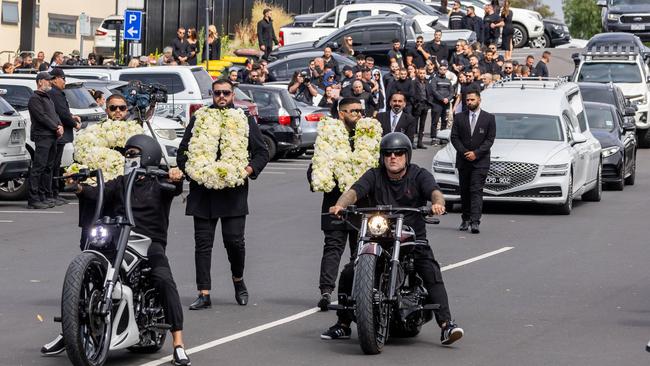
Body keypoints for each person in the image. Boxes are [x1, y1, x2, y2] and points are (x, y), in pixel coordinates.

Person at [321, 132, 464, 346]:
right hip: (379, 237)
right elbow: (354, 191)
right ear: (383, 156)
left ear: (407, 156)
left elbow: (434, 192)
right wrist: (340, 205)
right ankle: (343, 324)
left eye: (398, 153)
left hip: (412, 238)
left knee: (430, 270)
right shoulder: (374, 175)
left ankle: (446, 325)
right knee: (351, 270)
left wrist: (438, 204)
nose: (393, 157)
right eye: (388, 154)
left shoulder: (418, 175)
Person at [66, 135, 191, 366]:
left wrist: (176, 178)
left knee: (163, 279)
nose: (128, 157)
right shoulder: (121, 182)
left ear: (148, 155)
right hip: (118, 238)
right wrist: (79, 187)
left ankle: (178, 343)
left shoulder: (158, 183)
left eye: (133, 153)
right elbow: (97, 193)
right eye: (127, 153)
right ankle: (70, 329)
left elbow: (174, 188)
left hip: (149, 241)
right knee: (88, 270)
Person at [177, 79, 269, 310]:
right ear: (212, 95)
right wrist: (193, 171)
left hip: (233, 192)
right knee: (203, 244)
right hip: (203, 192)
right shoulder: (199, 117)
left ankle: (238, 280)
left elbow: (261, 152)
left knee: (234, 242)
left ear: (233, 94)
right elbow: (183, 152)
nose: (221, 97)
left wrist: (247, 170)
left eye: (226, 93)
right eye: (217, 93)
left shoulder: (244, 118)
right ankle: (204, 292)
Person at [307, 97, 371, 311]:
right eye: (354, 111)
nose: (359, 115)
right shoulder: (328, 137)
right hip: (334, 202)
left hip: (361, 204)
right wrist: (321, 178)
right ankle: (326, 291)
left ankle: (353, 290)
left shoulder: (368, 136)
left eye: (361, 111)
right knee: (333, 247)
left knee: (359, 250)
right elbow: (315, 167)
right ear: (341, 113)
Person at [450, 90, 496, 234]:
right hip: (463, 161)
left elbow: (490, 140)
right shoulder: (459, 118)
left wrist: (476, 153)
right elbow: (454, 138)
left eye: (472, 100)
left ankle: (475, 221)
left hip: (480, 162)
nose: (469, 102)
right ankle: (465, 219)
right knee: (464, 191)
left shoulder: (489, 118)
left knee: (476, 190)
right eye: (467, 100)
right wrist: (465, 152)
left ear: (479, 100)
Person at [26, 72, 62, 209]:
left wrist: (59, 125)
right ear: (40, 82)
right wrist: (55, 127)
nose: (50, 83)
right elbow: (41, 117)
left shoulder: (47, 97)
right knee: (39, 167)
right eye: (48, 80)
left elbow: (54, 114)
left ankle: (44, 196)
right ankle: (33, 198)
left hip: (52, 135)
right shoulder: (35, 98)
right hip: (43, 136)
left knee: (48, 167)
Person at [48, 68, 81, 205]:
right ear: (55, 79)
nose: (64, 82)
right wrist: (74, 123)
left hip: (60, 133)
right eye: (63, 78)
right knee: (54, 164)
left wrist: (72, 116)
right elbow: (62, 113)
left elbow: (64, 111)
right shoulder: (55, 93)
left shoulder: (57, 92)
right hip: (58, 133)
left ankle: (54, 192)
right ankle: (52, 193)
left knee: (56, 164)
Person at [429, 61, 455, 145]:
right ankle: (433, 138)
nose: (443, 71)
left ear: (446, 71)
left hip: (446, 103)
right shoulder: (434, 79)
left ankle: (442, 138)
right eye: (441, 69)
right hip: (437, 104)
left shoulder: (448, 81)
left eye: (445, 69)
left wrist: (448, 99)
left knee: (445, 121)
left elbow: (452, 92)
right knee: (435, 121)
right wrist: (442, 98)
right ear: (439, 70)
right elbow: (434, 91)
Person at [412, 68, 431, 149]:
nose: (422, 74)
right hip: (417, 105)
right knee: (414, 125)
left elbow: (429, 93)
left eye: (423, 73)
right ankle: (412, 142)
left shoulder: (427, 82)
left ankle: (420, 142)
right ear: (417, 73)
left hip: (425, 105)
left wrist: (428, 103)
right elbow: (412, 94)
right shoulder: (414, 82)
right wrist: (415, 104)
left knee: (422, 125)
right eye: (420, 73)